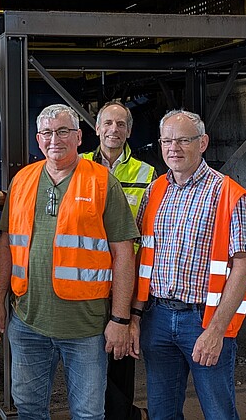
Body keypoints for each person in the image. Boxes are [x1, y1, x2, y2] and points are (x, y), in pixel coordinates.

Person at [0, 104, 138, 420]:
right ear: (38, 139)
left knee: (87, 413)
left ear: (79, 137)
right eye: (47, 132)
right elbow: (6, 244)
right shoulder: (22, 180)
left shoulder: (102, 182)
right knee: (29, 409)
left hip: (85, 328)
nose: (54, 139)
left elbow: (123, 253)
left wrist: (121, 319)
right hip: (27, 324)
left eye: (63, 131)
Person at [130, 109, 246, 420]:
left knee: (218, 412)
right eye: (167, 140)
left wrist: (216, 330)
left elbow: (242, 265)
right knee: (161, 413)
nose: (174, 148)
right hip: (157, 318)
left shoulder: (226, 193)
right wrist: (134, 318)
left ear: (203, 143)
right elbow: (140, 258)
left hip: (203, 321)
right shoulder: (155, 191)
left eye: (184, 140)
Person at [81, 100, 157, 420]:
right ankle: (117, 413)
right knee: (86, 356)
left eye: (121, 124)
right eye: (108, 123)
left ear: (129, 131)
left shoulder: (146, 173)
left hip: (127, 277)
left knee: (121, 353)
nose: (114, 130)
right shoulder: (79, 164)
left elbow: (149, 233)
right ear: (96, 128)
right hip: (85, 277)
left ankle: (122, 413)